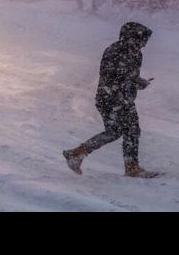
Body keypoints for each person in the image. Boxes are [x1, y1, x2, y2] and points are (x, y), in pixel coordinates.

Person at [64, 22, 159, 178]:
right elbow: (113, 76)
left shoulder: (136, 54)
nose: (143, 45)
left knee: (124, 131)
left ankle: (78, 153)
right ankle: (130, 167)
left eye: (144, 42)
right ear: (129, 38)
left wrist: (139, 82)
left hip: (124, 99)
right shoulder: (114, 51)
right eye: (140, 40)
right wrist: (134, 82)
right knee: (122, 131)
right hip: (110, 99)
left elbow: (129, 76)